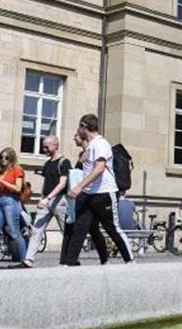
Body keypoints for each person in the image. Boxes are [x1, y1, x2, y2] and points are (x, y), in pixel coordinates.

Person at [63, 114, 133, 265]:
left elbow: (99, 168)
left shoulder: (100, 144)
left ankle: (129, 260)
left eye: (78, 127)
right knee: (80, 226)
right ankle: (68, 262)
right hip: (89, 193)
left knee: (112, 228)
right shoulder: (90, 145)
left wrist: (79, 186)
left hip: (104, 193)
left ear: (84, 126)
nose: (77, 131)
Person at [22, 134, 72, 268]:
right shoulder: (47, 163)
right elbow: (47, 181)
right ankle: (28, 259)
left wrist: (48, 198)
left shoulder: (64, 162)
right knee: (37, 228)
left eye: (47, 147)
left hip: (60, 201)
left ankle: (69, 259)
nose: (44, 149)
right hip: (46, 200)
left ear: (55, 145)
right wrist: (42, 197)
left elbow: (62, 183)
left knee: (66, 231)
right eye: (43, 147)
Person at [60, 132, 109, 265]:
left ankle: (69, 260)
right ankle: (104, 259)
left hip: (90, 195)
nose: (73, 137)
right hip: (83, 195)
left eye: (76, 135)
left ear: (82, 138)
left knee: (80, 227)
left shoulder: (89, 154)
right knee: (93, 229)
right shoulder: (84, 154)